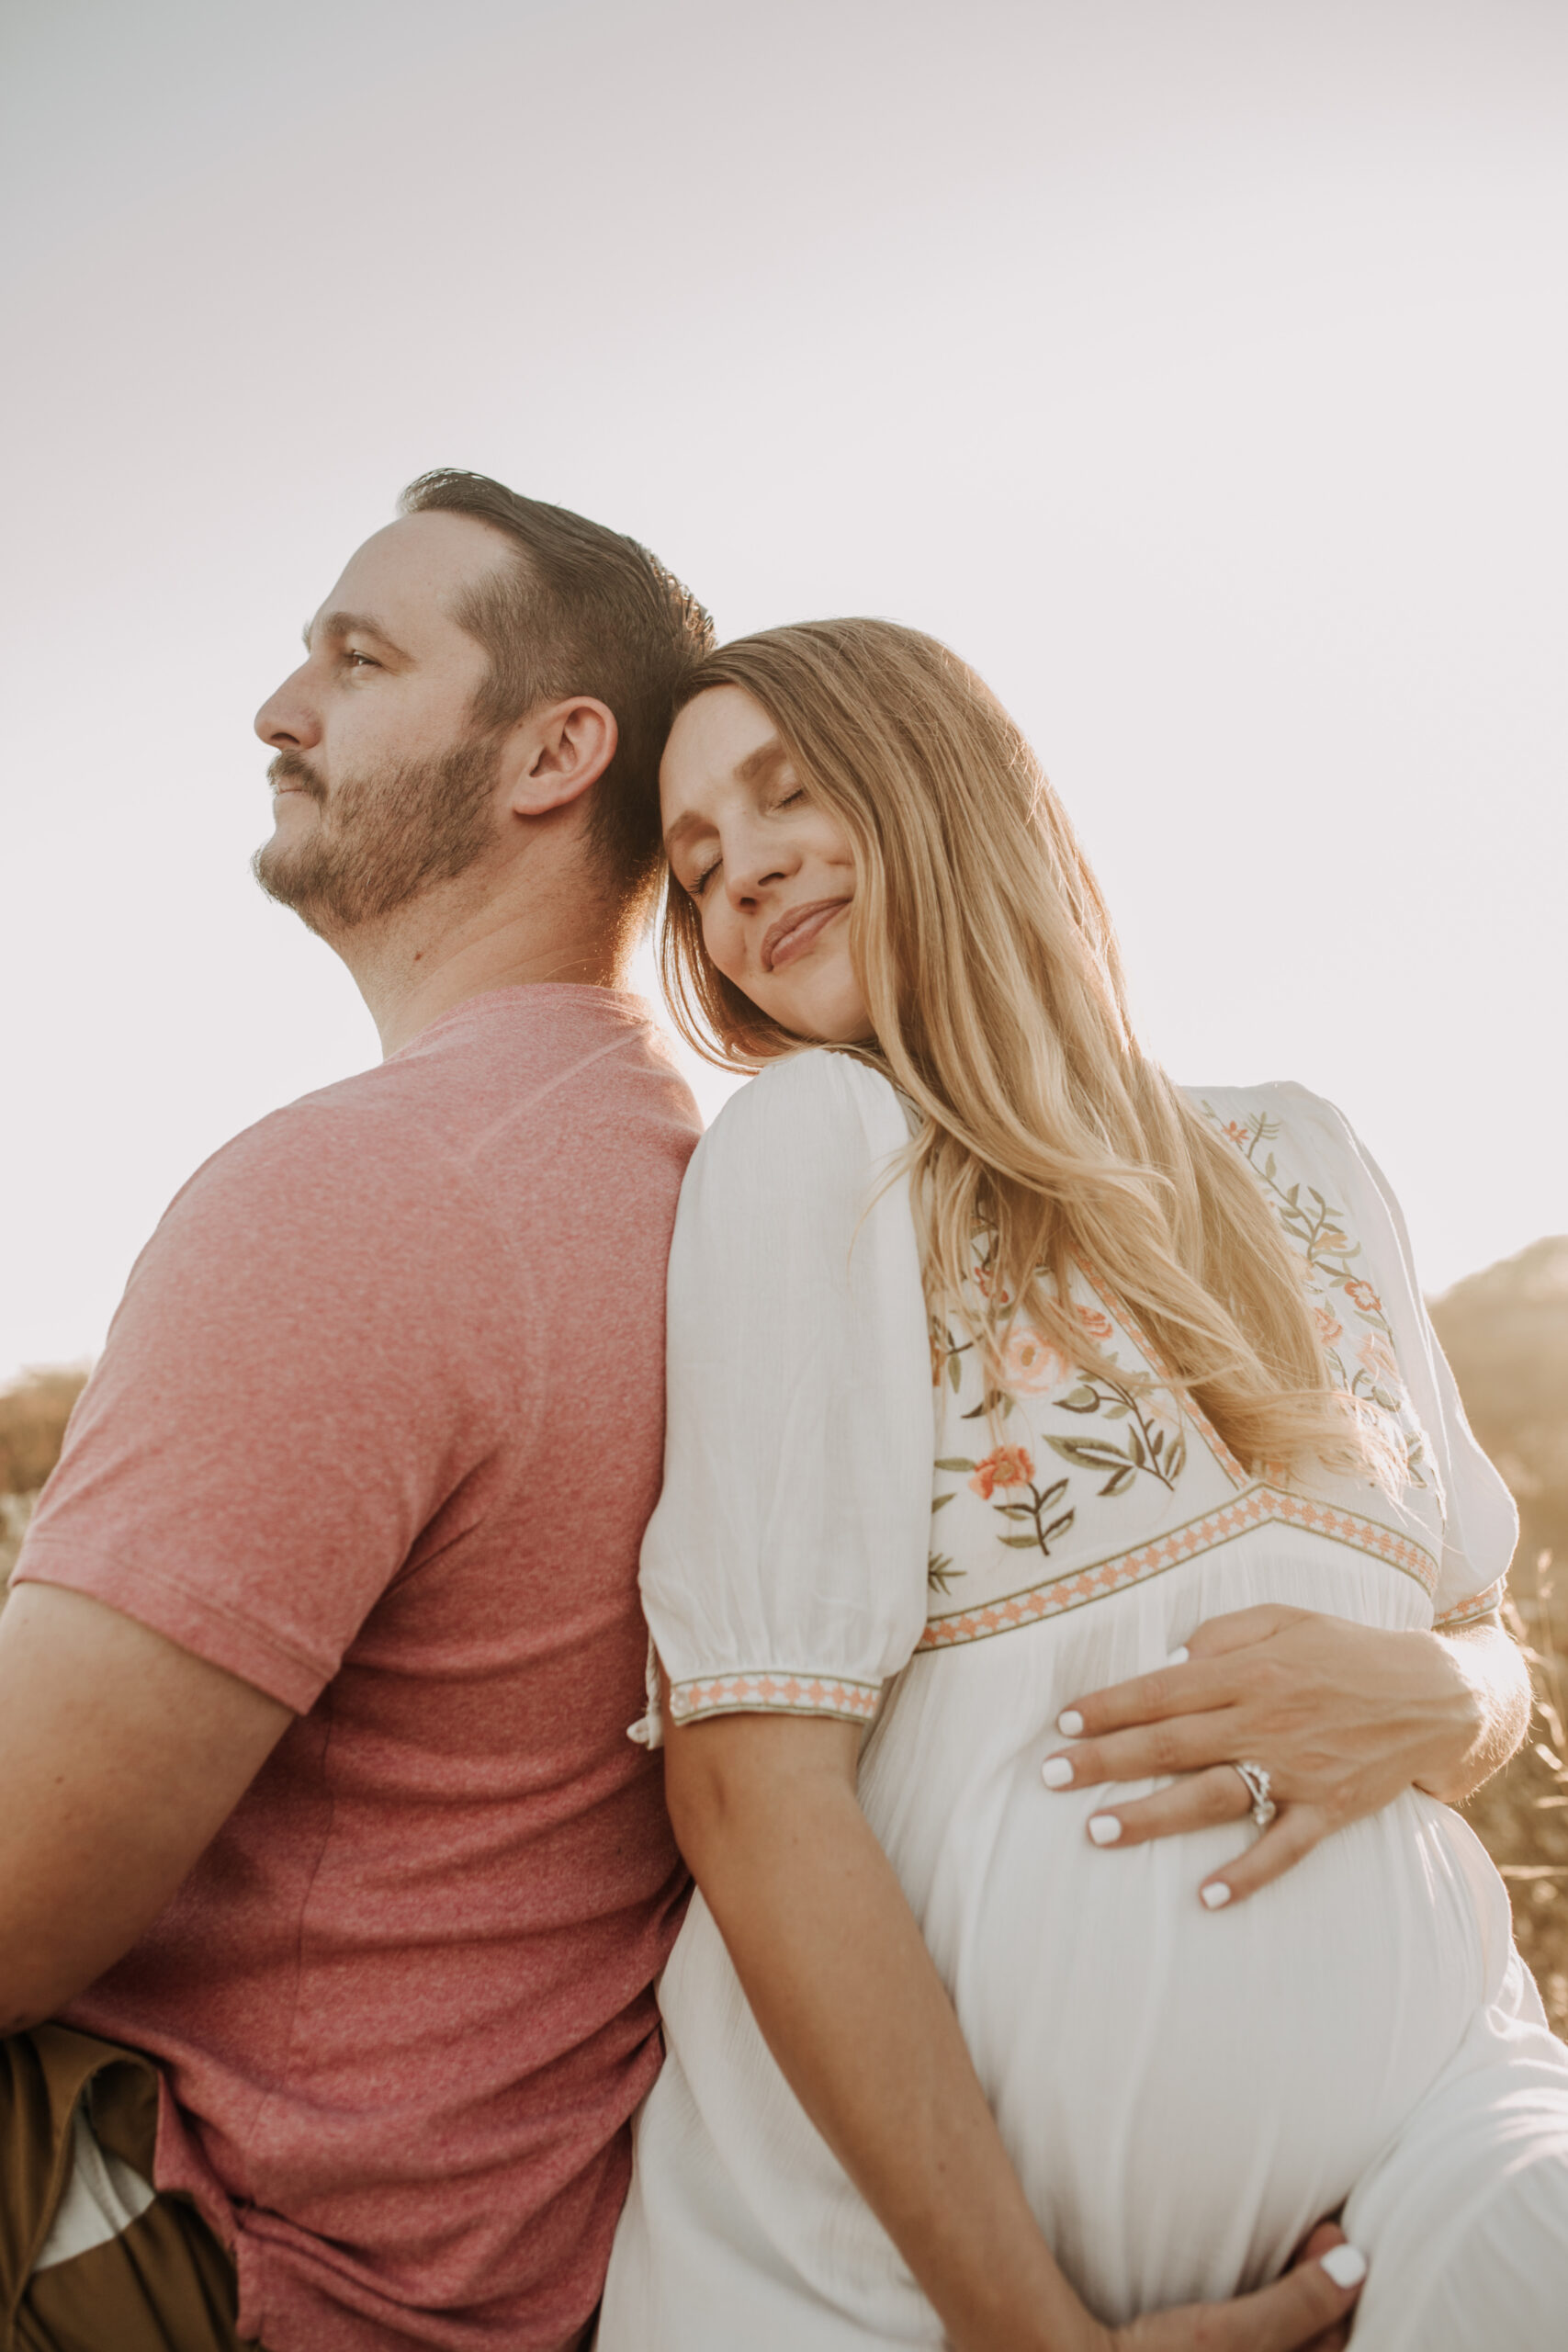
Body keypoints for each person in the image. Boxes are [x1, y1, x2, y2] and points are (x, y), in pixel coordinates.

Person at [598, 616, 1568, 2351]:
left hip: (1436, 2152)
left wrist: (1439, 1691)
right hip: (894, 2298)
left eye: (788, 791)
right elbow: (749, 1792)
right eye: (697, 864)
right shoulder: (820, 1148)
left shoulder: (1306, 1150)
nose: (742, 874)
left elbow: (1486, 1641)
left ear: (945, 779)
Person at [0, 472, 712, 2352]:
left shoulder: (369, 1194)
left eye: (358, 656)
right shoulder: (669, 1168)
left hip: (204, 2238)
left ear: (553, 751)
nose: (274, 709)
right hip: (485, 2259)